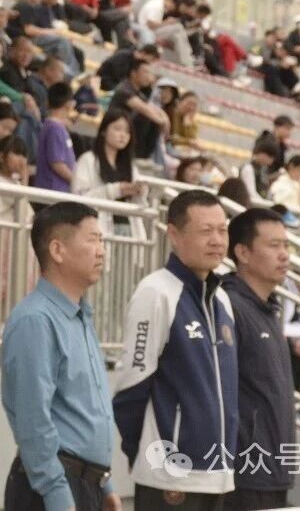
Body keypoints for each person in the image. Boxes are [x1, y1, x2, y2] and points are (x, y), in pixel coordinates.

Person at [114, 190, 238, 511]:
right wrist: (143, 454)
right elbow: (131, 386)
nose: (217, 240)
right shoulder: (156, 292)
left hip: (219, 472)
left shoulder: (222, 299)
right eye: (205, 231)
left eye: (222, 230)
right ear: (174, 234)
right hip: (170, 477)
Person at [2, 202, 122, 511]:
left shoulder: (80, 315)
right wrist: (58, 496)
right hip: (53, 488)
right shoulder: (35, 320)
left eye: (102, 241)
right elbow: (32, 420)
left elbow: (84, 410)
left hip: (86, 484)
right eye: (92, 240)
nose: (101, 251)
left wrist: (104, 484)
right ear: (57, 250)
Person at [222, 208, 296, 511]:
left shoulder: (268, 309)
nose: (284, 254)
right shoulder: (229, 307)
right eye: (273, 245)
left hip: (274, 471)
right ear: (243, 252)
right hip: (246, 475)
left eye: (286, 245)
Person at [72, 110, 148, 237]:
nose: (123, 135)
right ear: (103, 131)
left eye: (127, 131)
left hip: (130, 231)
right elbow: (79, 199)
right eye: (117, 129)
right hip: (100, 231)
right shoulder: (88, 160)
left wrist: (140, 192)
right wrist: (116, 190)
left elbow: (140, 205)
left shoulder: (130, 166)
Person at [12, 0, 81, 75]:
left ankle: (70, 71)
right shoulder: (25, 5)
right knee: (62, 41)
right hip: (24, 39)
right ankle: (65, 71)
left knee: (71, 46)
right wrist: (52, 32)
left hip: (33, 39)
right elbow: (29, 30)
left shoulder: (37, 7)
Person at [110, 57, 169, 160]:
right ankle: (138, 156)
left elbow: (153, 107)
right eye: (145, 72)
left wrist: (166, 119)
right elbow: (144, 109)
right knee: (146, 117)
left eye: (149, 73)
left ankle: (145, 157)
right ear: (133, 73)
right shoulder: (124, 89)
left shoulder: (139, 92)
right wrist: (162, 122)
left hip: (128, 128)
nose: (148, 76)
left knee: (153, 117)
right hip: (116, 126)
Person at [35, 82, 78, 194]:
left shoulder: (56, 126)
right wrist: (76, 181)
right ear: (69, 104)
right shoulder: (54, 129)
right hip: (53, 190)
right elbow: (57, 163)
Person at [238, 138, 280, 205]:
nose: (271, 162)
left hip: (261, 203)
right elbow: (251, 193)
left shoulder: (264, 170)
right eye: (270, 157)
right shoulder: (248, 168)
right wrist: (266, 204)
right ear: (262, 153)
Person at [254, 116, 293, 184]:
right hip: (260, 175)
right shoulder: (265, 139)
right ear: (277, 127)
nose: (289, 133)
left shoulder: (282, 146)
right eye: (287, 129)